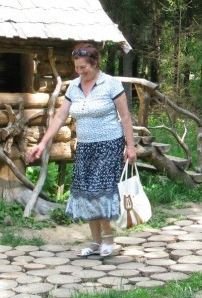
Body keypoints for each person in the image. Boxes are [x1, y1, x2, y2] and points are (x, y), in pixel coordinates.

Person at [28, 43, 137, 258]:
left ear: (95, 64)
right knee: (85, 193)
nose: (80, 72)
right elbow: (60, 117)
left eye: (83, 68)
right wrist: (42, 143)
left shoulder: (111, 84)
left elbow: (125, 117)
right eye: (77, 68)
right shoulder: (74, 87)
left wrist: (130, 146)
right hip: (85, 148)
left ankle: (108, 240)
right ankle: (95, 242)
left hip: (109, 145)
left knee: (99, 191)